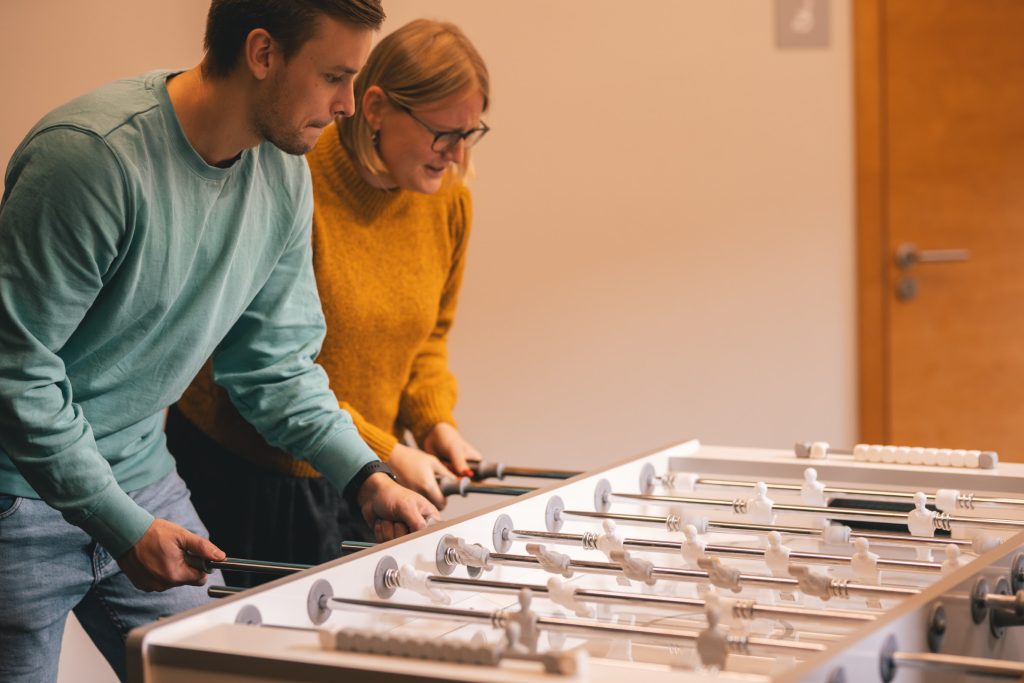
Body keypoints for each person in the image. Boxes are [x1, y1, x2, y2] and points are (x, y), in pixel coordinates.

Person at [0, 2, 439, 681]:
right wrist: (121, 522)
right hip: (15, 494)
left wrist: (365, 474)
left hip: (142, 473)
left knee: (230, 672)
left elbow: (276, 367)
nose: (349, 104)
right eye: (334, 76)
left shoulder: (284, 173)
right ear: (263, 54)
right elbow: (15, 373)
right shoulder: (91, 161)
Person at [168, 18, 489, 572]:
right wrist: (384, 452)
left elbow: (430, 337)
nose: (456, 155)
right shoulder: (293, 180)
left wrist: (437, 422)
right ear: (377, 109)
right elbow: (266, 369)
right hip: (244, 474)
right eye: (444, 133)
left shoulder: (447, 203)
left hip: (359, 473)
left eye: (470, 133)